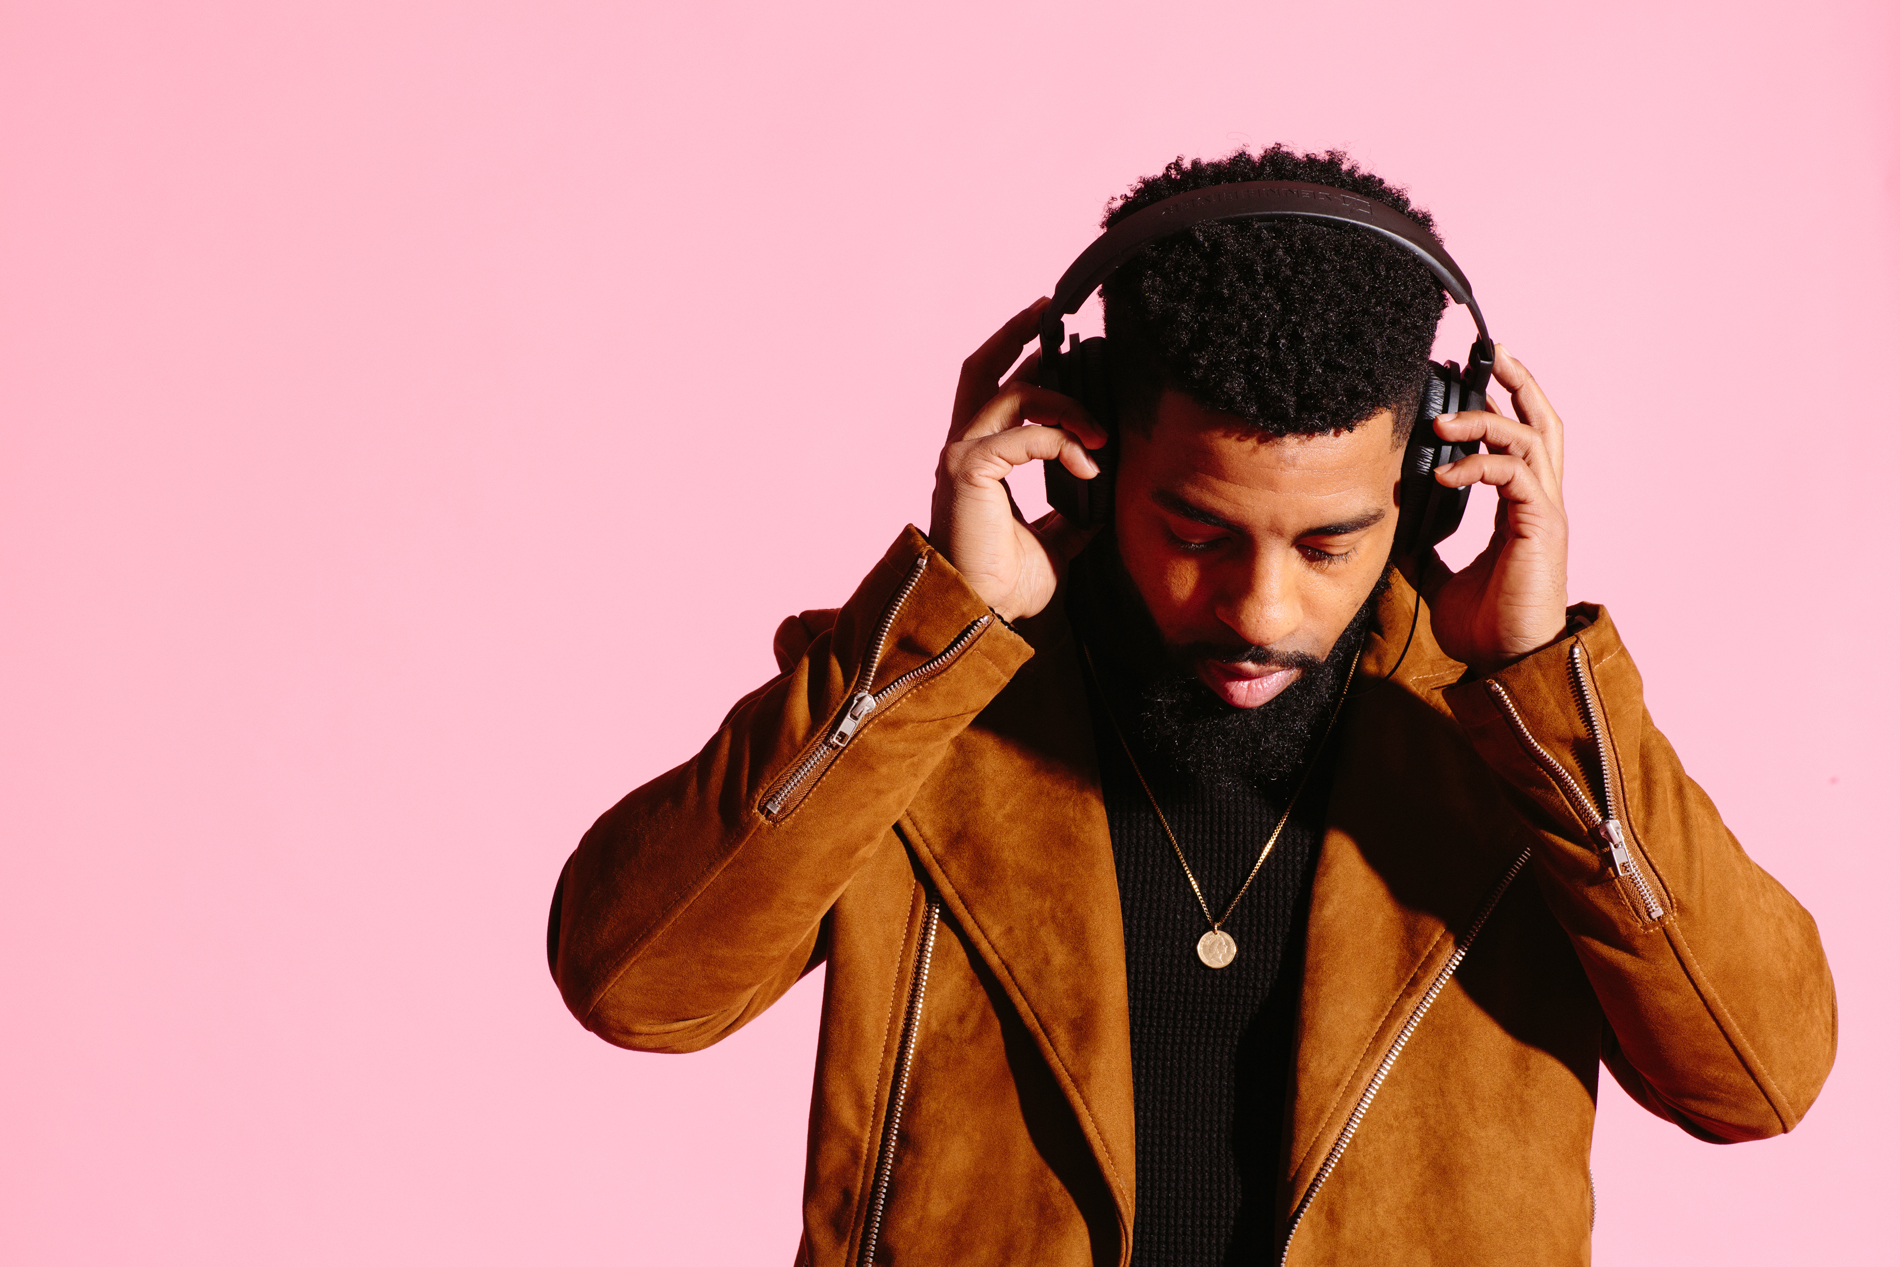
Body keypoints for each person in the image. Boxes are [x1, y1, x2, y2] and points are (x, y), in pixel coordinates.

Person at [545, 146, 1836, 1266]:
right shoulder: (928, 708)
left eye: (1329, 545)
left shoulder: (1505, 742)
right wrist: (930, 636)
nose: (1261, 609)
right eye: (1198, 533)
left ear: (1431, 486)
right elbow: (634, 984)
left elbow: (1758, 1079)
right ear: (1088, 456)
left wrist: (1543, 684)